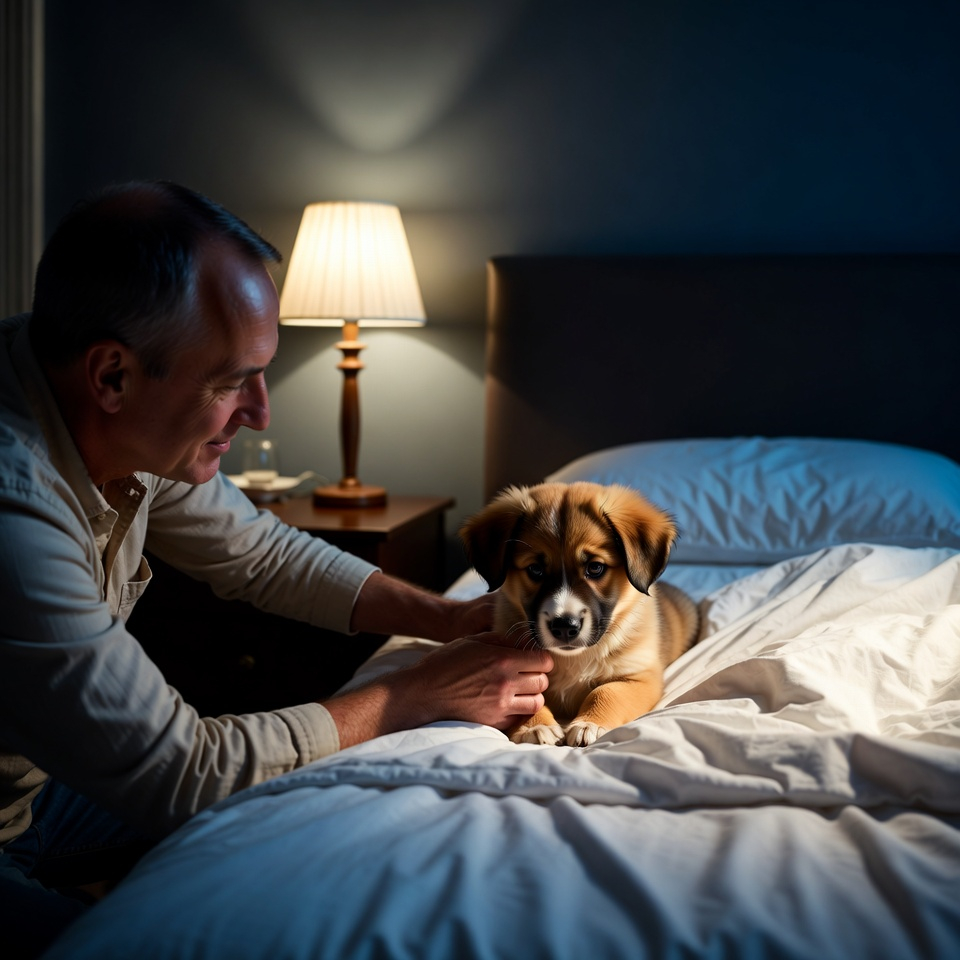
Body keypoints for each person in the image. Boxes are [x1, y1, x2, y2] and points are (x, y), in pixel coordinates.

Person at [0, 180, 553, 956]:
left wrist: (448, 617)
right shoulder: (16, 515)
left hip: (33, 794)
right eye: (231, 382)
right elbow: (182, 772)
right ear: (113, 376)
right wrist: (414, 691)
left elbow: (260, 551)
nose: (262, 412)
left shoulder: (94, 400)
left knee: (317, 806)